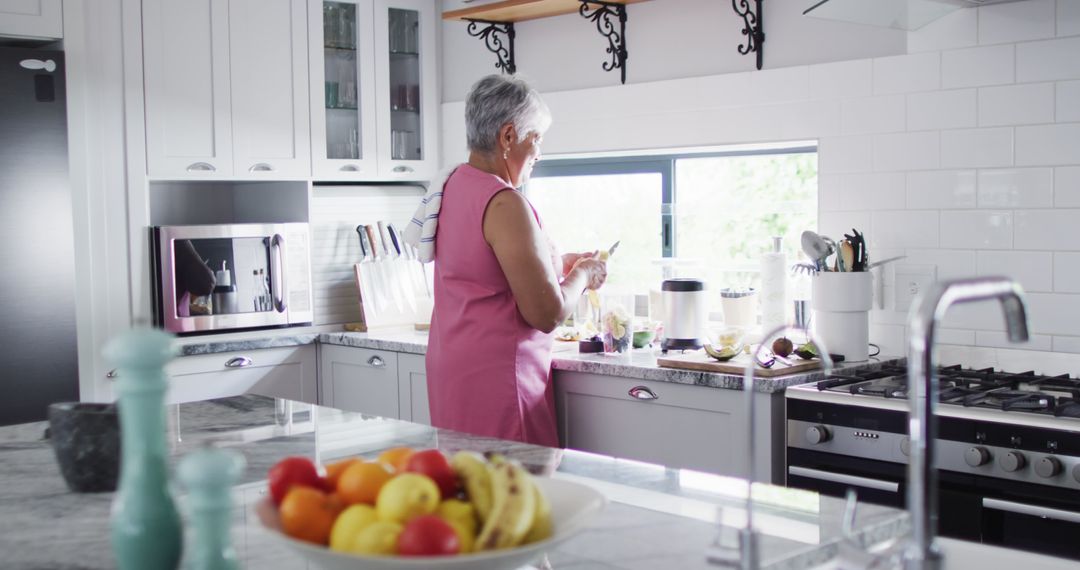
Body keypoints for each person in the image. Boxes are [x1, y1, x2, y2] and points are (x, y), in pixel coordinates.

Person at [424, 74, 607, 447]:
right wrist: (584, 274)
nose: (540, 152)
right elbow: (546, 313)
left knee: (471, 494)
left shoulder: (454, 185)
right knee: (515, 495)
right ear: (508, 137)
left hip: (455, 373)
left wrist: (559, 264)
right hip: (501, 382)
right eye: (536, 138)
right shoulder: (505, 202)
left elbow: (487, 268)